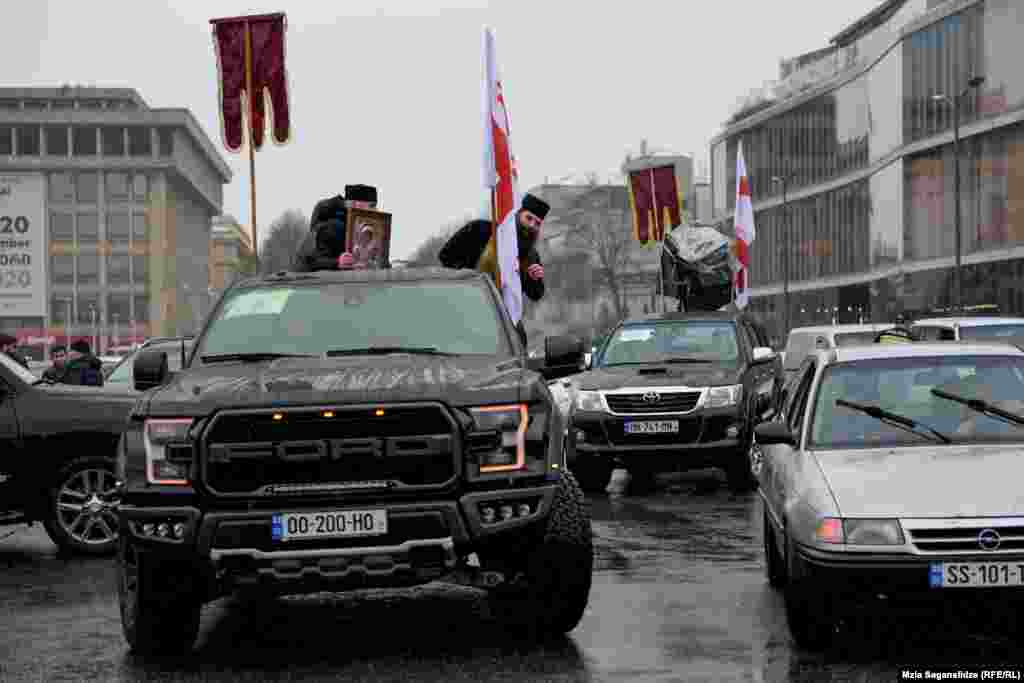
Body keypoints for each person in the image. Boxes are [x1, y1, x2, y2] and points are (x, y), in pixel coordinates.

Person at [438, 193, 549, 345]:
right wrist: (470, 278)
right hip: (465, 312)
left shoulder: (531, 256)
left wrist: (534, 278)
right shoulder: (480, 230)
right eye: (528, 218)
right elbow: (446, 257)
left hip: (505, 323)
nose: (531, 225)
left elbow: (536, 294)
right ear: (517, 214)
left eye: (537, 223)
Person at [293, 184, 380, 272]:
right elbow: (308, 261)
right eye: (371, 206)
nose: (375, 210)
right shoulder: (332, 226)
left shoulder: (361, 225)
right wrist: (337, 262)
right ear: (356, 203)